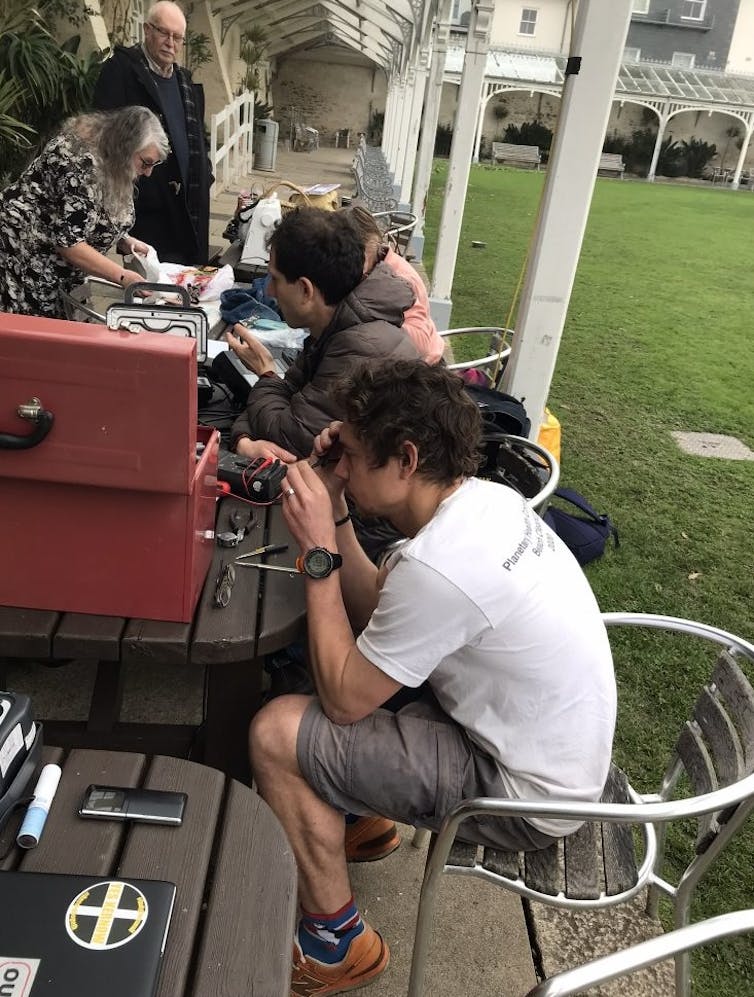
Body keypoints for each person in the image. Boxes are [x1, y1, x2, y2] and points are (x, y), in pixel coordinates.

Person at [248, 359, 617, 996]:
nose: (343, 463)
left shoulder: (442, 565)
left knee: (278, 732)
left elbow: (342, 700)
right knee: (331, 682)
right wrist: (335, 510)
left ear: (407, 458)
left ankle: (338, 946)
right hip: (544, 751)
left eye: (355, 455)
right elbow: (376, 609)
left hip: (523, 798)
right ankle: (363, 816)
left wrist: (314, 555)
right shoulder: (482, 504)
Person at [228, 207, 419, 464]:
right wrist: (245, 442)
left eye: (275, 279)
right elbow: (284, 401)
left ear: (306, 290)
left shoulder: (358, 347)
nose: (270, 292)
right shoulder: (336, 326)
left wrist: (266, 374)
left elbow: (290, 437)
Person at [0, 107, 168, 318]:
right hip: (25, 252)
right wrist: (123, 276)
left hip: (58, 255)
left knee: (72, 325)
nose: (148, 172)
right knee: (42, 335)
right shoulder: (80, 165)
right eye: (146, 162)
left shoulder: (112, 159)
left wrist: (124, 240)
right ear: (126, 148)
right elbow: (69, 244)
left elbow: (90, 214)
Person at [93, 0, 213, 265]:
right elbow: (104, 137)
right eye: (164, 33)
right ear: (147, 30)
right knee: (148, 295)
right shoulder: (122, 72)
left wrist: (207, 174)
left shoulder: (184, 82)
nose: (171, 42)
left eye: (177, 37)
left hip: (189, 209)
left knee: (188, 287)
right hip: (148, 212)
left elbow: (199, 139)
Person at [343, 205, 445, 364]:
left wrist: (368, 326)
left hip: (420, 368)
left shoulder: (400, 279)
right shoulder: (372, 265)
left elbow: (422, 342)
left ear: (371, 244)